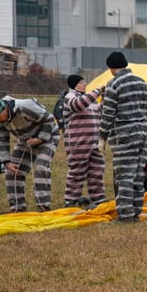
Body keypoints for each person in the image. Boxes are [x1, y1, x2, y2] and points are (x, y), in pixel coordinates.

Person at [99, 51, 147, 222]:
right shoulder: (141, 82)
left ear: (111, 68)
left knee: (124, 176)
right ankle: (136, 211)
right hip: (142, 132)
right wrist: (141, 123)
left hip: (124, 134)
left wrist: (102, 136)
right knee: (138, 174)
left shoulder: (113, 84)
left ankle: (126, 215)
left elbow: (108, 113)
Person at [0, 96, 60, 212]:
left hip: (48, 136)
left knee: (41, 167)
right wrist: (6, 161)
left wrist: (40, 139)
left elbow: (49, 119)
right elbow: (1, 139)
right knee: (12, 171)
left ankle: (43, 206)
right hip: (25, 140)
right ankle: (17, 207)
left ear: (5, 108)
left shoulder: (24, 107)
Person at [63, 74, 106, 207]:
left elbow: (100, 110)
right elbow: (79, 105)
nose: (84, 84)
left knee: (97, 171)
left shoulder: (90, 100)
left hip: (94, 142)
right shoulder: (70, 97)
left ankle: (98, 198)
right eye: (82, 83)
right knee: (77, 173)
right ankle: (70, 201)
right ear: (74, 85)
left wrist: (105, 97)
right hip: (78, 143)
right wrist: (98, 90)